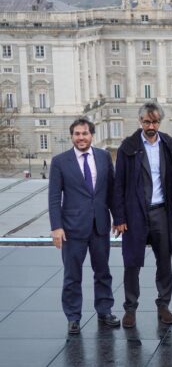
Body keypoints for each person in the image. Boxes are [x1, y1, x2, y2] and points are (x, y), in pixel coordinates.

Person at [48, 118, 120, 334]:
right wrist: (56, 227)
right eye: (77, 134)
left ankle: (104, 311)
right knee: (72, 275)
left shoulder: (103, 156)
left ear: (92, 135)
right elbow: (53, 198)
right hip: (72, 228)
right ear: (72, 136)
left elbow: (111, 190)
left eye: (85, 133)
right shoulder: (60, 161)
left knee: (103, 272)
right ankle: (73, 317)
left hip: (100, 225)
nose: (81, 137)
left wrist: (118, 217)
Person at [113, 102, 172, 328]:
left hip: (161, 211)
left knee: (165, 262)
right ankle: (130, 309)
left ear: (160, 121)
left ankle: (163, 305)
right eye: (147, 121)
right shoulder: (128, 147)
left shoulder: (169, 145)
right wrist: (119, 218)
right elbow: (118, 184)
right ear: (140, 121)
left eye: (155, 121)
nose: (151, 126)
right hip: (134, 215)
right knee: (132, 264)